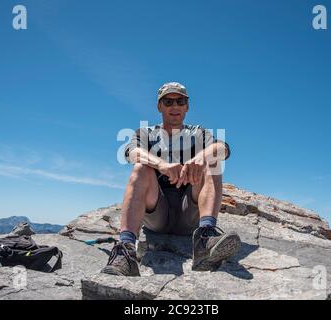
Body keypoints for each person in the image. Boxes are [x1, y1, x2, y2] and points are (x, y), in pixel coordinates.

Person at [101, 82, 240, 276]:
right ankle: (126, 252)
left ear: (187, 106)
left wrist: (200, 158)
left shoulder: (198, 133)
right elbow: (131, 152)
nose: (174, 106)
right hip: (157, 213)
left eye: (180, 101)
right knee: (141, 167)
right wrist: (161, 165)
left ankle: (205, 238)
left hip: (189, 212)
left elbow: (223, 149)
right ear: (159, 106)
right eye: (168, 101)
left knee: (213, 161)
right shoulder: (145, 134)